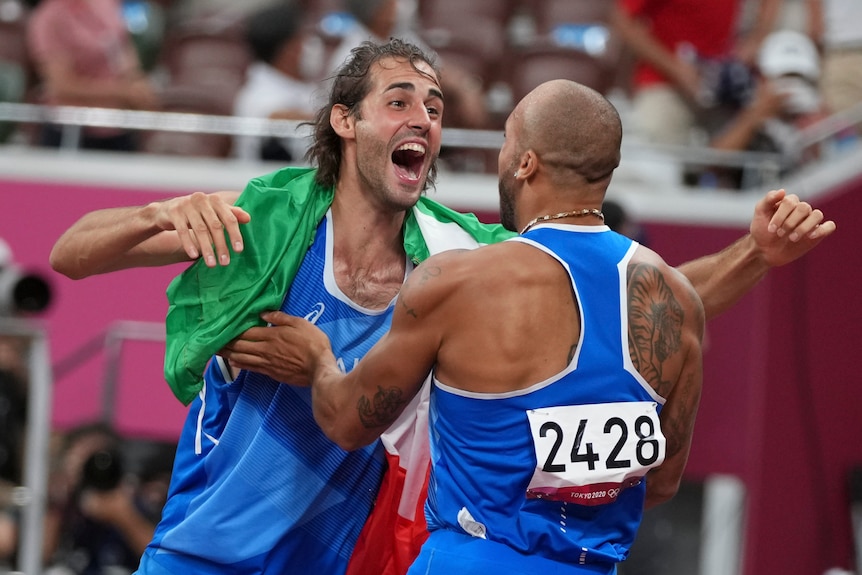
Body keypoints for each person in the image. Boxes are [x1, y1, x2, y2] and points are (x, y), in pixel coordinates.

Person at [49, 37, 836, 575]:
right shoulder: (264, 218)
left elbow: (635, 297)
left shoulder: (459, 253)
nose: (424, 117)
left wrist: (752, 256)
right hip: (206, 546)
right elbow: (71, 252)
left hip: (339, 554)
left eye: (433, 105)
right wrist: (158, 214)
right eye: (400, 100)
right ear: (346, 121)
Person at [231, 78, 705, 574]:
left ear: (525, 163)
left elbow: (350, 423)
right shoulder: (678, 298)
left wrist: (319, 363)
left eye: (506, 141)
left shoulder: (460, 281)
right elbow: (663, 480)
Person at [611, 0, 783, 148]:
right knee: (659, 164)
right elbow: (622, 18)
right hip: (664, 85)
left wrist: (758, 37)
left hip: (724, 86)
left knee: (743, 155)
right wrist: (676, 69)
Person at [326, 0, 490, 131]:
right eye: (390, 2)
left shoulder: (400, 36)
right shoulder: (349, 56)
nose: (398, 5)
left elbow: (435, 68)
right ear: (376, 12)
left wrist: (466, 88)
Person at [704, 29, 832, 189]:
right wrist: (756, 116)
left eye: (798, 78)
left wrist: (820, 131)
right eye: (782, 78)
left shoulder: (822, 117)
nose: (791, 87)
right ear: (762, 80)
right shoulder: (747, 114)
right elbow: (711, 165)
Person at [26, 0, 160, 151]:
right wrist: (122, 92)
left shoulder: (107, 4)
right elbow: (61, 86)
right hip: (73, 131)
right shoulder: (48, 18)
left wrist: (136, 82)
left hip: (117, 127)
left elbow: (122, 47)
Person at [231, 1, 323, 162]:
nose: (311, 44)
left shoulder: (297, 82)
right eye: (302, 38)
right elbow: (275, 116)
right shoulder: (259, 95)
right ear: (287, 50)